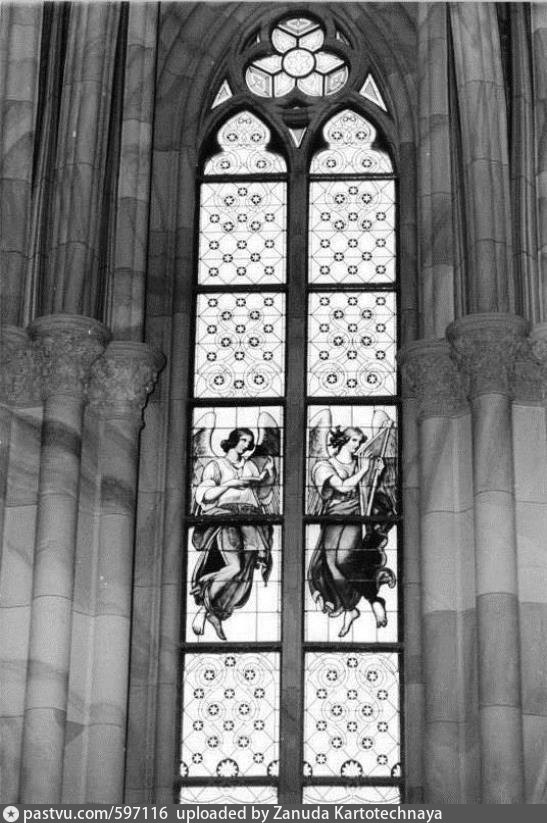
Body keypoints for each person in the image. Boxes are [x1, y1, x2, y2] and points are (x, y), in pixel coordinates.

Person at [307, 426, 395, 636]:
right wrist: (364, 470)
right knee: (330, 565)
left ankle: (374, 600)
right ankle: (349, 609)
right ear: (342, 440)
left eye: (360, 441)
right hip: (334, 515)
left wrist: (376, 472)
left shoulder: (360, 463)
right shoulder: (323, 466)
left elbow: (367, 491)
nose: (357, 445)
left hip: (356, 514)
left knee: (344, 560)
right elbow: (342, 486)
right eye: (354, 440)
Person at [191, 428, 275, 640]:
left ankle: (214, 613)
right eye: (243, 440)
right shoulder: (216, 466)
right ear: (233, 441)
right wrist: (230, 484)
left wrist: (268, 476)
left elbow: (260, 495)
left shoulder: (249, 466)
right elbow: (204, 495)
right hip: (227, 517)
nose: (246, 445)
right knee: (234, 567)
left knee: (243, 576)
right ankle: (204, 585)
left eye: (249, 441)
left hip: (251, 519)